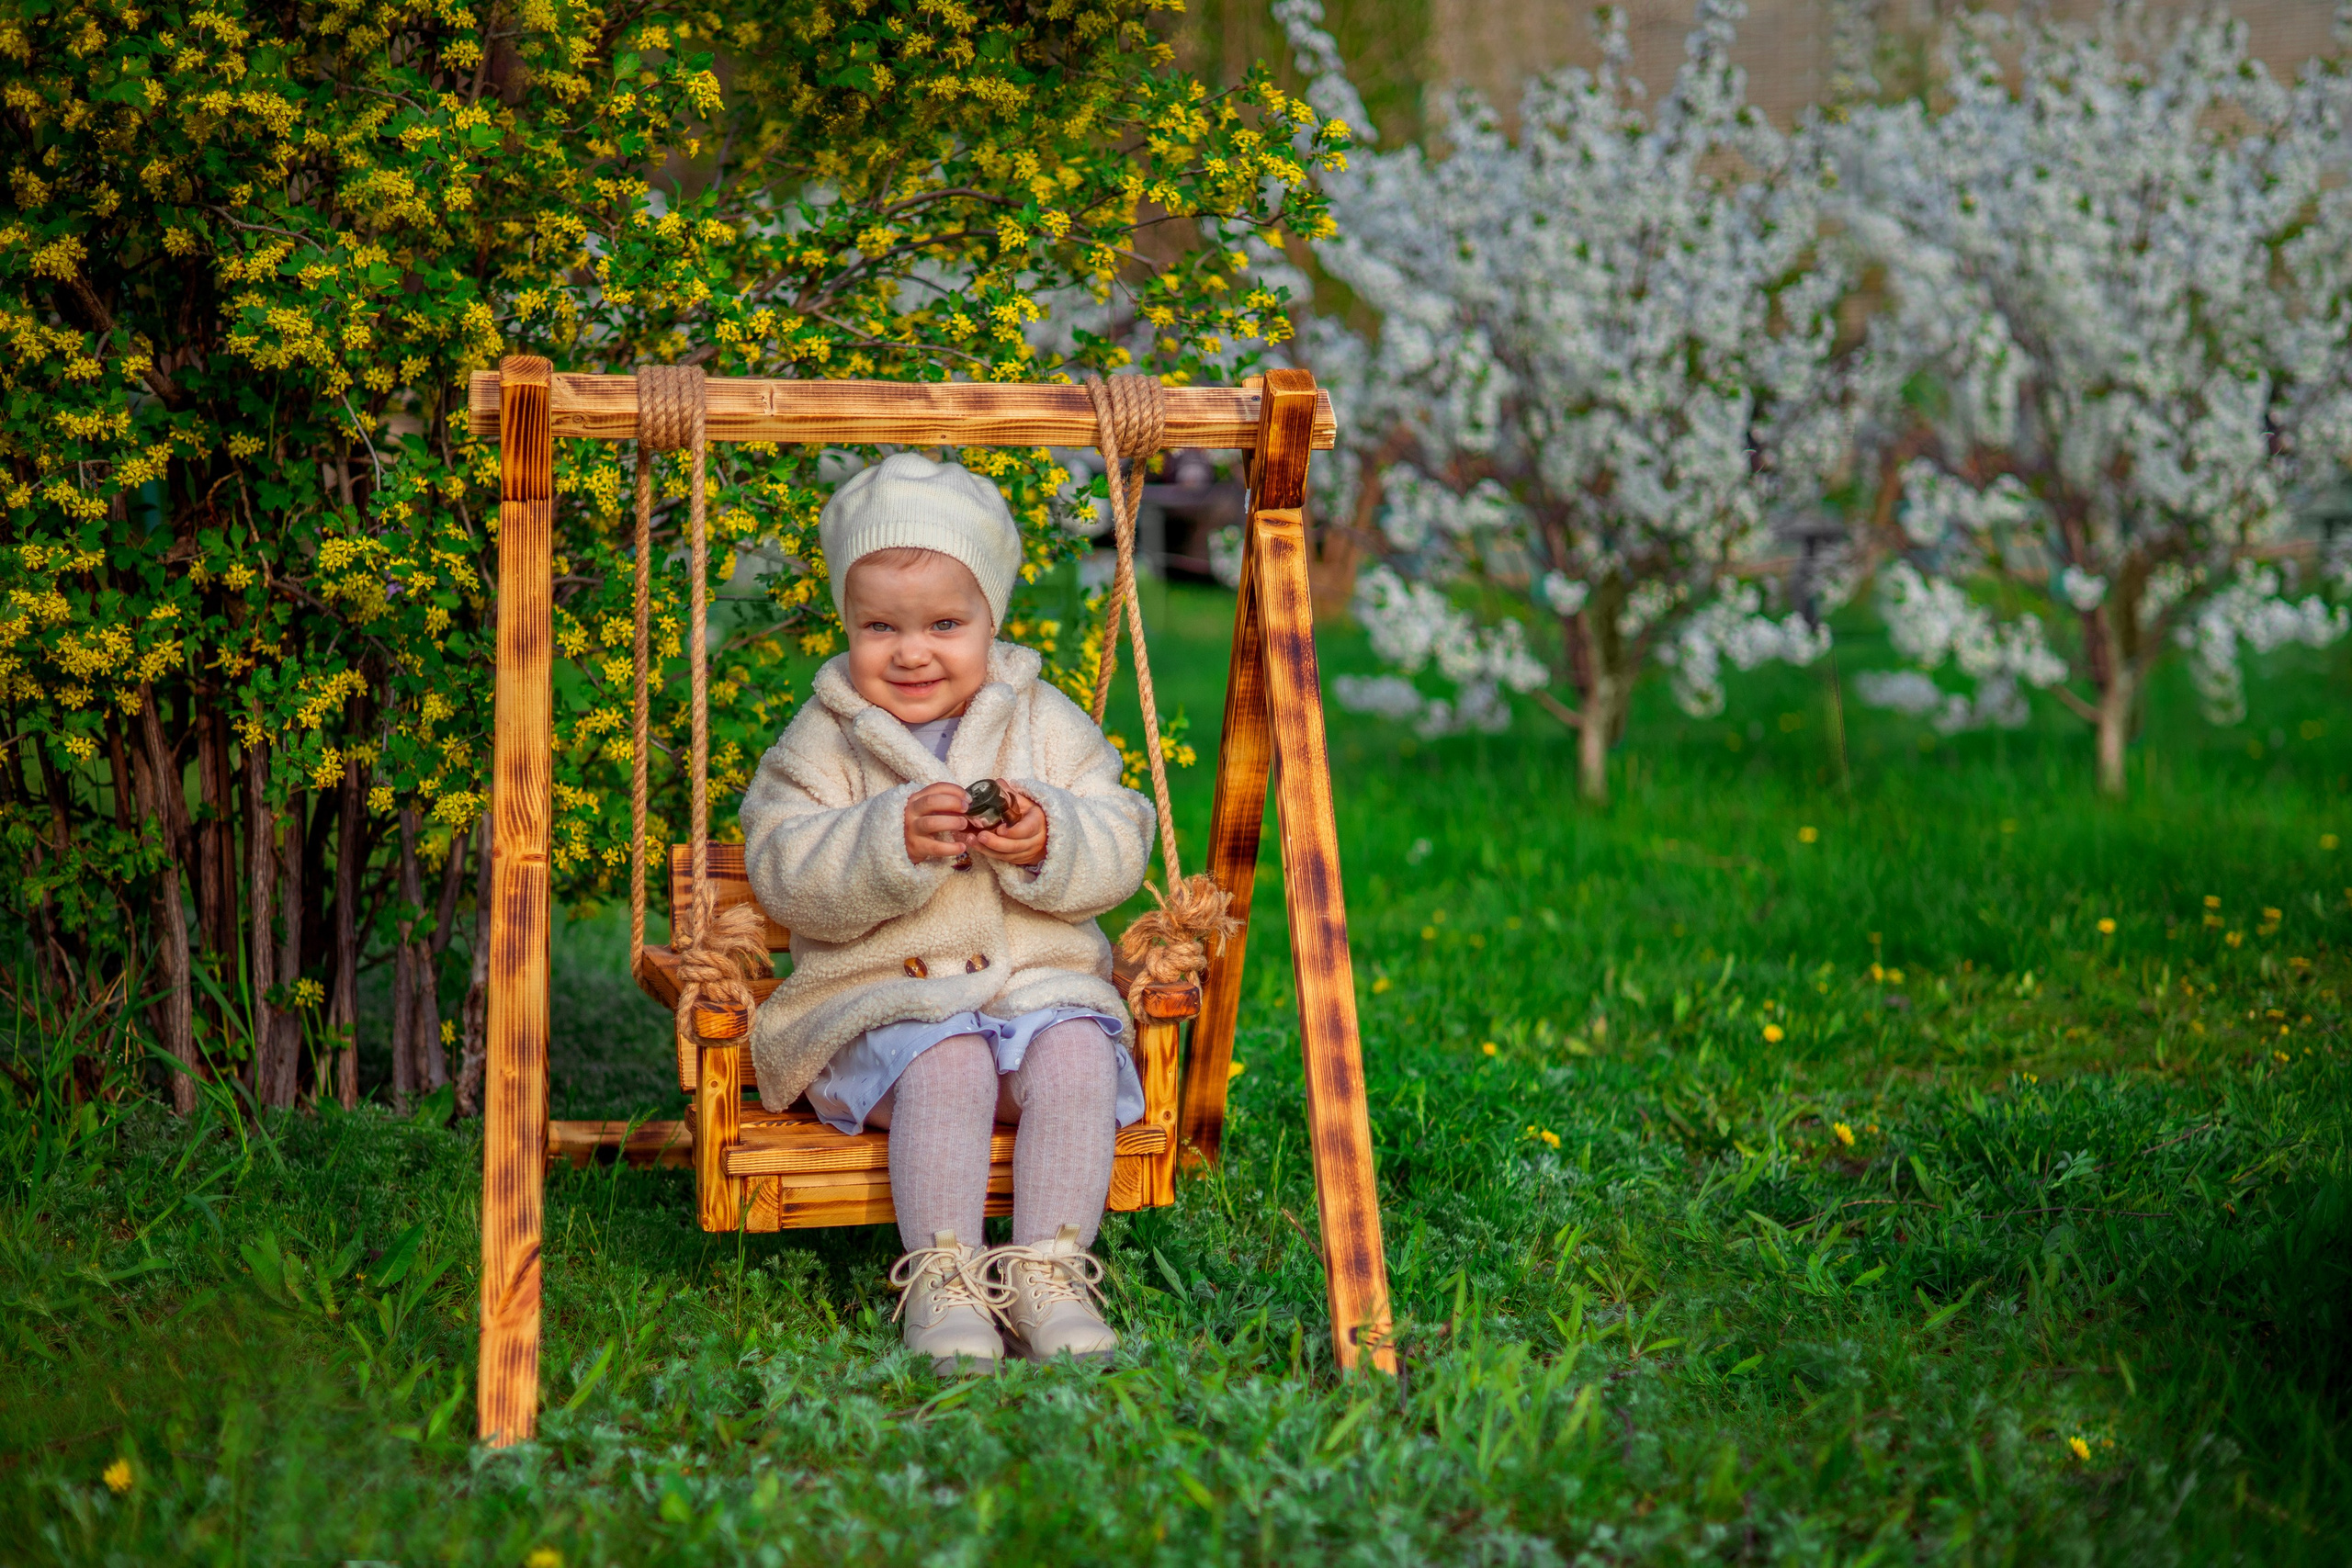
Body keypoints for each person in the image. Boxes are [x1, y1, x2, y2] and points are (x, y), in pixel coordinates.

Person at [738, 452, 1153, 1374]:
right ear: (847, 623)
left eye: (945, 624)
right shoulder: (826, 737)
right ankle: (944, 1276)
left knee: (1080, 1049)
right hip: (882, 1017)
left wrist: (1048, 839)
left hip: (1032, 1000)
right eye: (879, 625)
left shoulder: (1043, 720)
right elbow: (781, 866)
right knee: (949, 1055)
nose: (911, 651)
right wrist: (885, 840)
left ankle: (1050, 1271)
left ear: (991, 620)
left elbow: (1123, 835)